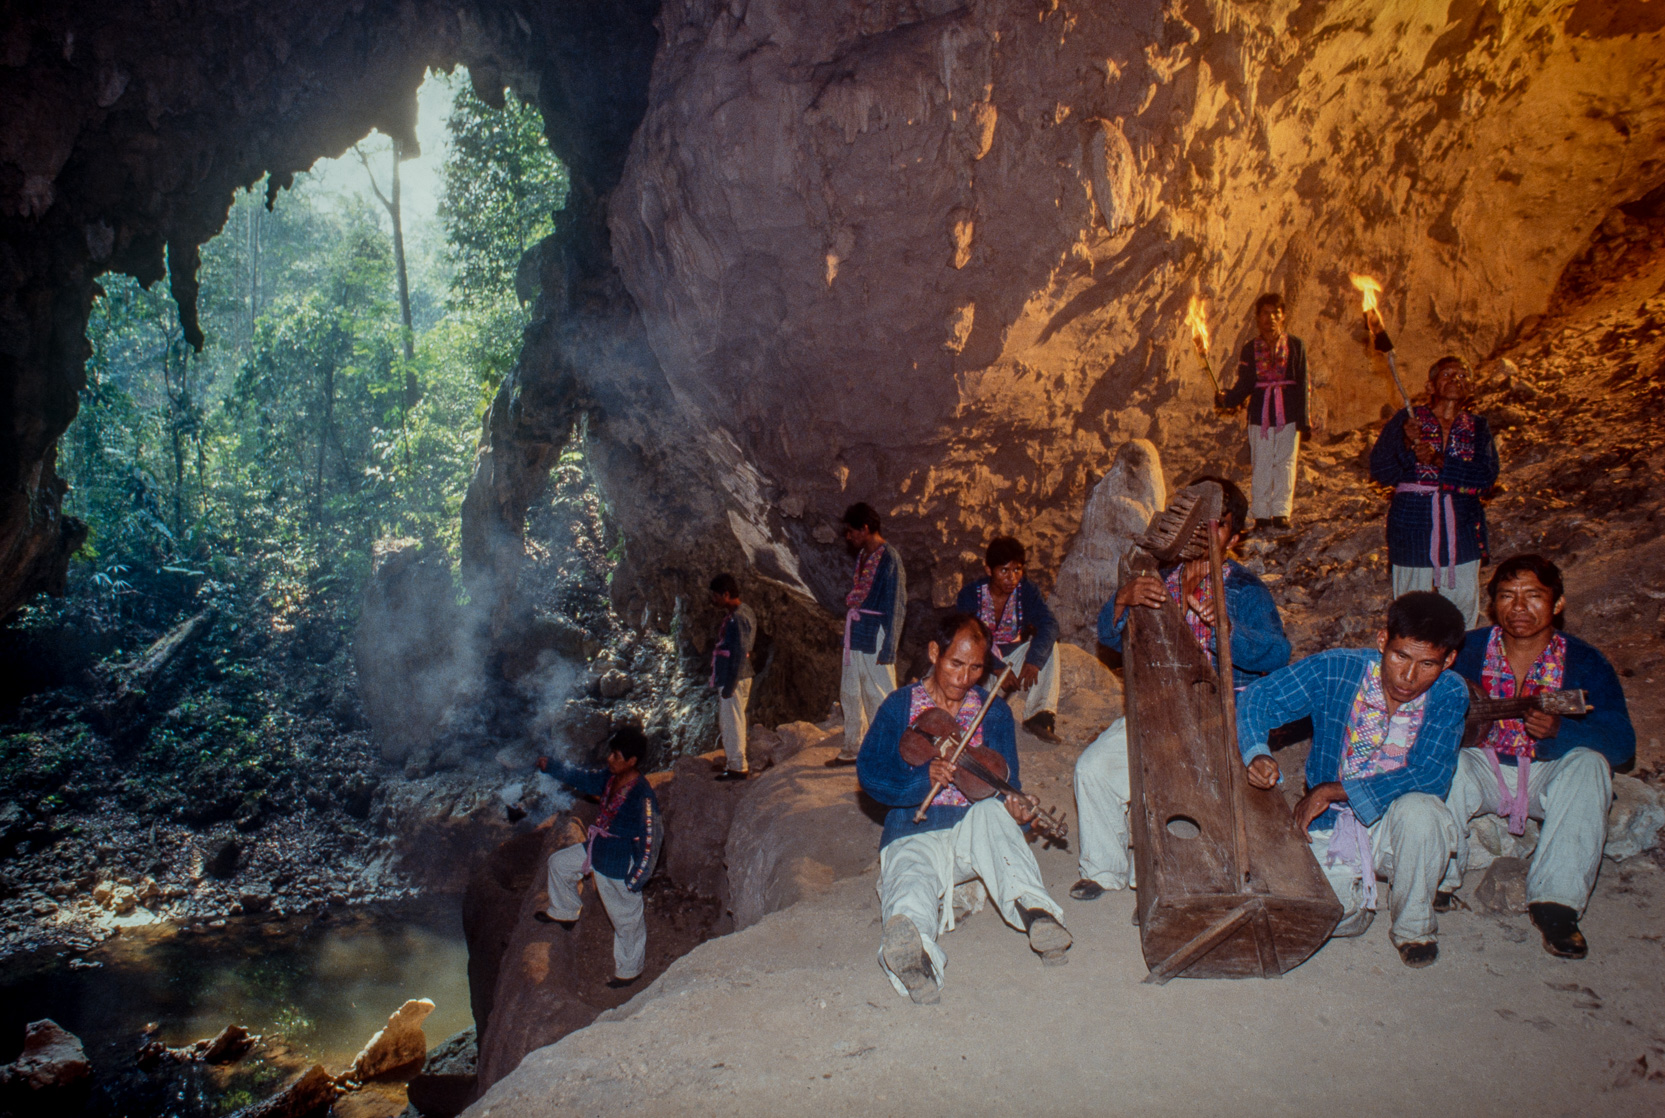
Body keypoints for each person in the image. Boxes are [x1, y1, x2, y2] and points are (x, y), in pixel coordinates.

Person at [1071, 476, 1290, 901]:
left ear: (1235, 535)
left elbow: (1277, 653)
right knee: (1093, 769)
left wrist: (1228, 630)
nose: (1206, 534)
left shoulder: (1245, 590)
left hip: (1221, 716)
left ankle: (1163, 884)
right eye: (1198, 522)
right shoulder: (1157, 576)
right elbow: (1112, 636)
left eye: (1220, 526)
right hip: (1159, 708)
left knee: (1179, 790)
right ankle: (1103, 869)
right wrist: (1123, 600)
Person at [1237, 592, 1468, 968]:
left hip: (1397, 831)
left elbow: (1431, 775)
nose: (1409, 677)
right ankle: (1355, 900)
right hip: (1331, 825)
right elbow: (1257, 699)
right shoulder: (1338, 669)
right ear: (1382, 641)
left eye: (1428, 664)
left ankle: (1413, 928)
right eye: (1400, 657)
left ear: (1449, 660)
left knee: (1424, 811)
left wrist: (1333, 789)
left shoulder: (1449, 691)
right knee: (1319, 913)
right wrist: (1257, 752)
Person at [857, 612, 1071, 1003]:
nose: (964, 677)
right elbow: (870, 774)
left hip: (972, 834)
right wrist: (921, 780)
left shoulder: (995, 712)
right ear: (935, 653)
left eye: (975, 668)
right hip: (914, 827)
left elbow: (1010, 784)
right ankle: (915, 956)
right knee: (910, 878)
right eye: (956, 663)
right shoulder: (898, 706)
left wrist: (1018, 813)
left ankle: (1038, 915)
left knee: (990, 811)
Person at [1439, 554, 1636, 959]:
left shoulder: (1585, 662)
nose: (1519, 607)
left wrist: (1562, 731)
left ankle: (1557, 905)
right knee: (1448, 763)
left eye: (1533, 596)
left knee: (1591, 765)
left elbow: (1622, 744)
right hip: (1484, 764)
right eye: (1507, 596)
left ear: (1558, 604)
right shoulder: (1467, 649)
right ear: (1492, 604)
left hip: (1550, 773)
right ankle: (1437, 880)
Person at [1369, 355, 1500, 629]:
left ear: (1471, 389)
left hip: (1462, 523)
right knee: (1410, 606)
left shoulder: (1477, 427)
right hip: (1412, 522)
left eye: (1463, 376)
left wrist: (1439, 461)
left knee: (1463, 604)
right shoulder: (1409, 419)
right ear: (1430, 387)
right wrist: (1405, 442)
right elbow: (1381, 470)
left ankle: (1457, 668)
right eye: (1447, 374)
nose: (1456, 380)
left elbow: (1485, 477)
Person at [535, 727, 662, 988]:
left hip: (618, 863)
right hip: (596, 848)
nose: (610, 759)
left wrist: (637, 877)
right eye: (611, 754)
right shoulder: (608, 779)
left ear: (632, 761)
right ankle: (565, 911)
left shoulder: (642, 796)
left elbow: (652, 840)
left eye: (616, 756)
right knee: (558, 863)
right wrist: (553, 767)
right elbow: (581, 778)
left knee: (626, 919)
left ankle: (630, 970)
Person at [1215, 293, 1311, 531]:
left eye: (1276, 313)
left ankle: (1280, 512)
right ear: (1258, 318)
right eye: (1265, 313)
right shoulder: (1250, 349)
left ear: (1283, 316)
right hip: (1260, 413)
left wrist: (1304, 419)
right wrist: (1227, 399)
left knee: (1285, 462)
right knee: (1261, 461)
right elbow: (1245, 385)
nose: (1271, 318)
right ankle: (1261, 513)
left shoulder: (1296, 346)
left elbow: (1303, 383)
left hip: (1288, 412)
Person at [953, 536, 1062, 743]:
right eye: (1004, 570)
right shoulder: (970, 595)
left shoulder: (1026, 591)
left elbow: (1049, 624)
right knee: (975, 716)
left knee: (1050, 646)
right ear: (989, 570)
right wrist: (995, 666)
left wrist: (1034, 660)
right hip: (982, 663)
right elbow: (965, 638)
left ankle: (1039, 715)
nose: (1012, 577)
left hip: (1013, 658)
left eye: (1017, 570)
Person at [831, 502, 907, 765]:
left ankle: (889, 752)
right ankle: (854, 747)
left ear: (865, 529)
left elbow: (897, 603)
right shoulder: (864, 556)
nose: (848, 537)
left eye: (851, 531)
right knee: (851, 690)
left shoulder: (890, 558)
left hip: (877, 633)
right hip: (857, 630)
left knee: (880, 692)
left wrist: (890, 645)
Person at [708, 573, 757, 781]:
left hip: (735, 677)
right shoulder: (741, 613)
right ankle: (734, 762)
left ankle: (738, 767)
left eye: (716, 596)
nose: (714, 600)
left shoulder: (738, 618)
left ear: (726, 594)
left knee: (732, 722)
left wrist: (730, 684)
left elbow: (739, 652)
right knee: (730, 721)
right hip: (736, 676)